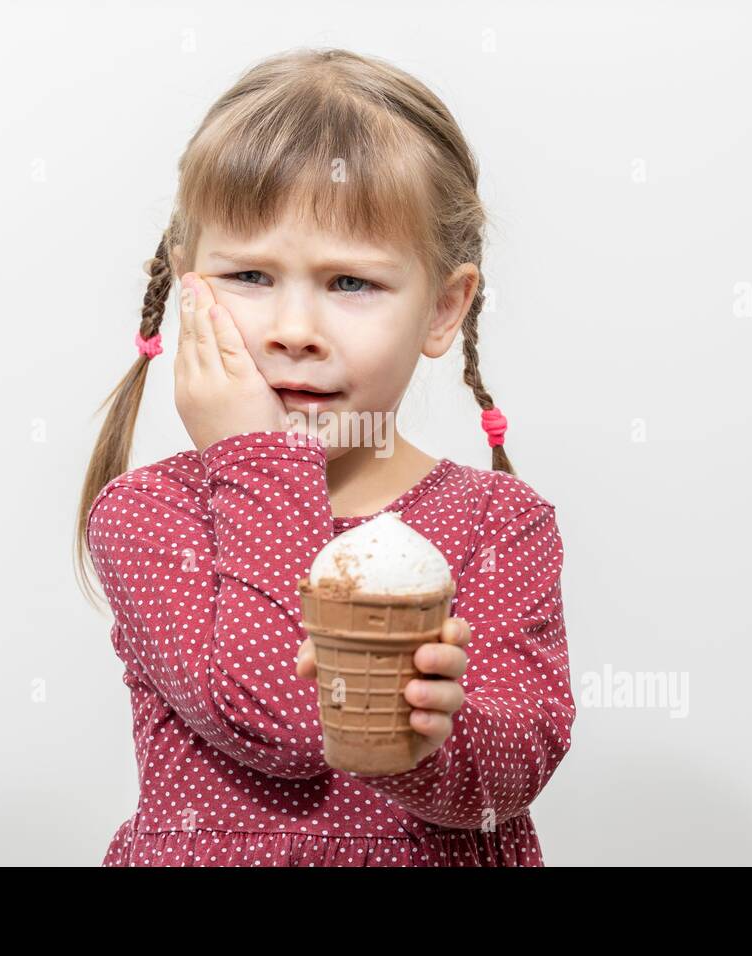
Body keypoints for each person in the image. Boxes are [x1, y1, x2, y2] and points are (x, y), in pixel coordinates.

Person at [75, 47, 574, 866]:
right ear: (185, 284)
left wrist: (432, 737)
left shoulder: (500, 524)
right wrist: (261, 455)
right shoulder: (148, 516)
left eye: (350, 283)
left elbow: (516, 772)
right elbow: (284, 721)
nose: (293, 328)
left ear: (444, 309)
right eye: (247, 275)